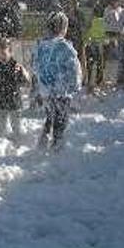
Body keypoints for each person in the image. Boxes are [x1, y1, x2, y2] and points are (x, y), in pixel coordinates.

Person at [32, 12, 82, 152]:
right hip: (62, 91)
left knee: (49, 116)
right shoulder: (66, 48)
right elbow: (74, 69)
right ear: (63, 28)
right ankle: (57, 147)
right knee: (61, 119)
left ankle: (42, 142)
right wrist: (75, 85)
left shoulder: (41, 47)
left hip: (46, 91)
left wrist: (41, 86)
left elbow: (35, 67)